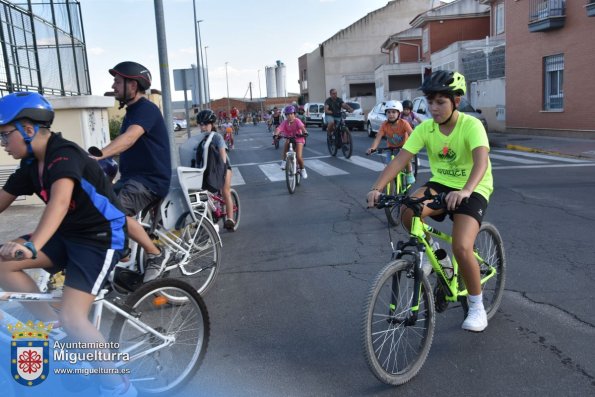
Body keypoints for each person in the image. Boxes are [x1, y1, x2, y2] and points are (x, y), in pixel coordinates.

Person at [0, 92, 136, 396]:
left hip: (99, 238)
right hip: (68, 235)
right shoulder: (29, 167)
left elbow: (59, 203)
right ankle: (58, 333)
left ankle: (119, 387)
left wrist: (33, 245)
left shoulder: (64, 155)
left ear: (29, 129)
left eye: (5, 135)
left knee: (75, 317)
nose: (3, 143)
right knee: (4, 265)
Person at [366, 70, 493, 333]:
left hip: (473, 186)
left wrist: (467, 190)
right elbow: (401, 159)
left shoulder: (471, 126)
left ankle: (477, 305)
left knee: (462, 246)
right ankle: (438, 256)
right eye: (430, 102)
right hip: (441, 184)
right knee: (406, 211)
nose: (433, 108)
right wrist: (377, 188)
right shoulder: (426, 128)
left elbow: (481, 162)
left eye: (440, 102)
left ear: (456, 101)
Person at [94, 61, 172, 283]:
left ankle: (155, 254)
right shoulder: (131, 112)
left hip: (149, 182)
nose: (113, 85)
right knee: (94, 204)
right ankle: (124, 251)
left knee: (115, 211)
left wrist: (99, 154)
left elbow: (128, 139)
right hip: (132, 180)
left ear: (133, 85)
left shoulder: (146, 109)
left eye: (118, 81)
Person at [180, 109, 236, 231]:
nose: (203, 127)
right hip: (207, 169)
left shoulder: (216, 137)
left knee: (225, 190)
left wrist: (222, 170)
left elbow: (222, 155)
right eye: (201, 124)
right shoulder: (199, 139)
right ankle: (210, 217)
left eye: (206, 124)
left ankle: (230, 219)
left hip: (223, 167)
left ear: (212, 124)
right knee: (202, 194)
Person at [366, 100, 415, 185]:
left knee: (406, 161)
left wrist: (413, 145)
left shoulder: (404, 123)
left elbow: (413, 135)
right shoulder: (384, 125)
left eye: (393, 112)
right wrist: (372, 148)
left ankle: (409, 173)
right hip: (391, 149)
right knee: (389, 168)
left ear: (399, 113)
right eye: (388, 112)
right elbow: (378, 138)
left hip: (403, 148)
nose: (391, 114)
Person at [273, 105, 309, 178]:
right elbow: (279, 129)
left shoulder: (297, 121)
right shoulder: (285, 122)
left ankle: (302, 169)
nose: (289, 116)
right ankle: (284, 161)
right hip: (289, 138)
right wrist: (276, 135)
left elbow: (302, 127)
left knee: (298, 157)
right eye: (287, 114)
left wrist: (305, 132)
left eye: (291, 114)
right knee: (286, 144)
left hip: (299, 138)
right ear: (285, 115)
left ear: (294, 114)